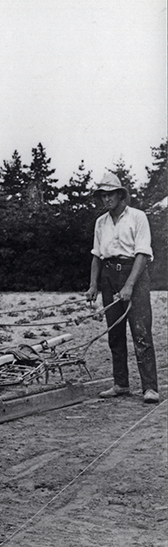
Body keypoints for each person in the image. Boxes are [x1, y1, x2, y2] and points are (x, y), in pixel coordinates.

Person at [85, 173, 159, 404]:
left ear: (120, 195)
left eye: (110, 195)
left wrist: (129, 285)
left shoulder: (138, 217)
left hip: (134, 274)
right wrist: (93, 285)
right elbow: (97, 256)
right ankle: (121, 384)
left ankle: (150, 387)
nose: (106, 199)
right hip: (108, 276)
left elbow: (142, 254)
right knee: (115, 334)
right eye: (102, 195)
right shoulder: (101, 222)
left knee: (141, 333)